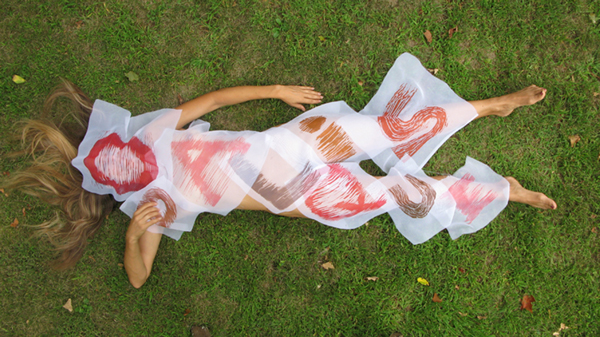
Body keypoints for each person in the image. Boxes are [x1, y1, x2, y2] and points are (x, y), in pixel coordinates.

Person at [2, 53, 556, 288]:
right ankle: (502, 192)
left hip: (297, 141)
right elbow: (137, 276)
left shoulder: (156, 133)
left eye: (117, 147)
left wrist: (274, 90)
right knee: (398, 193)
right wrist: (131, 232)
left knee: (389, 129)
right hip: (303, 194)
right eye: (117, 170)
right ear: (113, 185)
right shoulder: (151, 208)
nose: (128, 158)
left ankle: (489, 105)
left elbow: (214, 103)